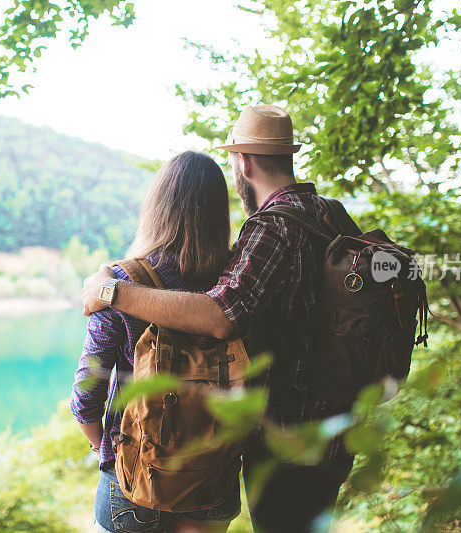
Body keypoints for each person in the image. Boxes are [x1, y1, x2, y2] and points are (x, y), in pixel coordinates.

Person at [82, 104, 355, 532]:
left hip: (281, 436)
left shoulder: (271, 229)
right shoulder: (331, 216)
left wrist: (112, 290)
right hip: (335, 428)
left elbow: (220, 317)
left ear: (243, 163)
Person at [70, 151, 241, 533]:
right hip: (213, 469)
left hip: (133, 474)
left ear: (156, 208)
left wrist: (106, 449)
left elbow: (86, 394)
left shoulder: (118, 284)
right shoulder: (235, 283)